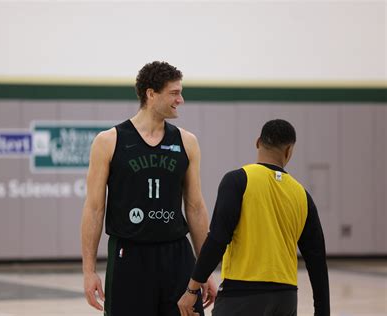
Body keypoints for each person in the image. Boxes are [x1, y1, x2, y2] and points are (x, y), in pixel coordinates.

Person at [81, 61, 217, 316]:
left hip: (176, 255)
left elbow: (196, 207)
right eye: (174, 93)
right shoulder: (109, 141)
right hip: (129, 255)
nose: (181, 100)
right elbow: (94, 208)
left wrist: (205, 270)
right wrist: (89, 271)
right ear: (151, 93)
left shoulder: (187, 142)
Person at [178, 119, 330, 316]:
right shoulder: (302, 195)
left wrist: (192, 288)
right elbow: (316, 260)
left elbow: (217, 239)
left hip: (242, 295)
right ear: (288, 151)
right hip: (286, 298)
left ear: (258, 142)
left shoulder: (238, 180)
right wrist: (322, 312)